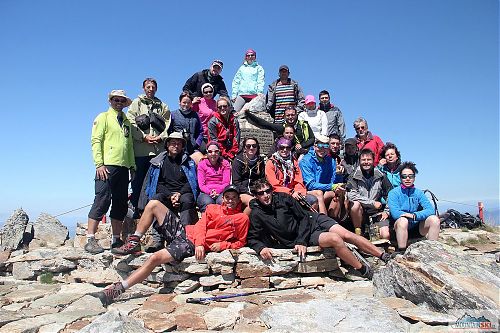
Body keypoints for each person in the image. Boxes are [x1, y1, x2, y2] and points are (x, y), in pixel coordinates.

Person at [96, 185, 249, 305]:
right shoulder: (212, 208)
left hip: (188, 244)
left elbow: (240, 242)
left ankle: (118, 289)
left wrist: (222, 245)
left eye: (234, 198)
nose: (230, 200)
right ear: (222, 198)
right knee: (154, 204)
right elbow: (201, 225)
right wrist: (201, 244)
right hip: (186, 232)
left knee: (155, 257)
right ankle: (135, 240)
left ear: (238, 200)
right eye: (227, 197)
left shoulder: (241, 218)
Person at [247, 179, 391, 280]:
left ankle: (383, 256)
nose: (266, 195)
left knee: (346, 234)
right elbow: (253, 237)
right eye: (261, 193)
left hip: (312, 220)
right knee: (335, 239)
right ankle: (363, 270)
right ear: (255, 196)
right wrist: (260, 248)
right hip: (305, 236)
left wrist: (301, 241)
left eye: (268, 191)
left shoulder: (284, 198)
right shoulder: (256, 213)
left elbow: (303, 217)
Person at [85, 90, 136, 254]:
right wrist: (99, 164)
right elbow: (96, 140)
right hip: (106, 166)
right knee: (102, 200)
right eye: (116, 100)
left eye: (121, 100)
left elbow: (129, 147)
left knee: (120, 204)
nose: (119, 103)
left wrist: (132, 166)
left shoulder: (127, 122)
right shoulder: (103, 117)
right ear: (110, 101)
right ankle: (90, 239)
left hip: (123, 168)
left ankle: (116, 239)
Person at [127, 78, 171, 218]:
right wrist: (143, 137)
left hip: (158, 150)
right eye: (148, 86)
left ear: (156, 88)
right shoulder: (136, 103)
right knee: (138, 180)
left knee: (155, 181)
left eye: (153, 87)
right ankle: (136, 210)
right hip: (141, 150)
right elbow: (131, 122)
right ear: (143, 88)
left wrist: (161, 137)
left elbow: (168, 123)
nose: (150, 89)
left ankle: (152, 209)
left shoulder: (162, 106)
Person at [137, 132, 198, 227]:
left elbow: (191, 182)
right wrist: (170, 196)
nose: (176, 146)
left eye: (179, 144)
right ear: (167, 144)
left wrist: (179, 194)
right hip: (166, 193)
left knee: (188, 200)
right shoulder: (158, 162)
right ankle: (159, 236)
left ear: (182, 146)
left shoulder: (188, 162)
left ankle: (185, 233)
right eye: (173, 143)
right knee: (156, 200)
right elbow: (157, 183)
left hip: (182, 193)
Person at [386, 162, 440, 252]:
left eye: (410, 176)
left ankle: (432, 251)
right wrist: (407, 215)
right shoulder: (393, 193)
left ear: (414, 178)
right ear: (400, 178)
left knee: (434, 220)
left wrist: (414, 215)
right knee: (403, 221)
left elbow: (430, 210)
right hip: (399, 228)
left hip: (416, 227)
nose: (407, 179)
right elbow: (395, 213)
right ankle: (401, 251)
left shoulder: (419, 193)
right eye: (404, 176)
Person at [346, 149, 392, 234]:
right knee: (355, 205)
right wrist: (372, 203)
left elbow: (391, 194)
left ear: (373, 161)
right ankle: (358, 232)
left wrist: (387, 212)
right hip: (361, 213)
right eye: (363, 160)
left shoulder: (381, 176)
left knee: (385, 235)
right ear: (359, 161)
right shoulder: (353, 176)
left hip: (376, 213)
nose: (366, 162)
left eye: (369, 159)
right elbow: (351, 195)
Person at [265, 137, 318, 208]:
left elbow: (298, 180)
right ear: (278, 148)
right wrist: (291, 192)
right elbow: (273, 185)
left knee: (313, 200)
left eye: (288, 148)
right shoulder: (271, 163)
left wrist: (299, 192)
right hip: (278, 193)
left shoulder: (293, 161)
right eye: (282, 147)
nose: (285, 150)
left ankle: (311, 219)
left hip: (294, 192)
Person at [244, 106, 315, 158]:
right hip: (289, 154)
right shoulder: (282, 128)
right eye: (288, 115)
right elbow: (265, 124)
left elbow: (312, 138)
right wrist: (248, 114)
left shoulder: (304, 125)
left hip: (305, 153)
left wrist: (302, 145)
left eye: (292, 115)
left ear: (296, 115)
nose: (290, 117)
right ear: (284, 116)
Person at [299, 135, 344, 216]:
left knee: (339, 192)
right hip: (309, 191)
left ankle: (333, 221)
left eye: (326, 146)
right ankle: (325, 222)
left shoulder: (332, 161)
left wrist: (338, 174)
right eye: (320, 146)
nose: (322, 149)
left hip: (325, 191)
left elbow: (335, 182)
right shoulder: (306, 161)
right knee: (319, 193)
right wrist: (332, 187)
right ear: (315, 146)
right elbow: (310, 185)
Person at [168, 92, 204, 164]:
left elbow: (200, 131)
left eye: (188, 103)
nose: (186, 105)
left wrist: (197, 143)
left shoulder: (195, 115)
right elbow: (168, 131)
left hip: (192, 149)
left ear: (191, 103)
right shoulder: (173, 114)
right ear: (179, 102)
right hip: (177, 149)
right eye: (184, 102)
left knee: (202, 162)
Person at [232, 137, 266, 212]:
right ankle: (243, 221)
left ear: (257, 148)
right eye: (248, 146)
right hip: (242, 191)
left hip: (256, 190)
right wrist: (249, 191)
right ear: (244, 148)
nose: (251, 148)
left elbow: (262, 179)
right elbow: (236, 182)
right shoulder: (238, 161)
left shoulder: (260, 161)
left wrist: (258, 191)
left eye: (254, 146)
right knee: (253, 202)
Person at [196, 142, 231, 212]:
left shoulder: (225, 163)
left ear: (219, 152)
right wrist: (210, 192)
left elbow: (226, 182)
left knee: (223, 202)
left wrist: (217, 191)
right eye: (210, 151)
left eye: (216, 151)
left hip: (222, 191)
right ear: (206, 153)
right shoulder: (201, 164)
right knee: (208, 203)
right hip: (206, 192)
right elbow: (201, 185)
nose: (213, 154)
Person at [208, 96, 240, 161]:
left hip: (232, 149)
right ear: (217, 108)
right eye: (220, 107)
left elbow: (236, 138)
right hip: (218, 150)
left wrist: (232, 153)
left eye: (225, 106)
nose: (222, 108)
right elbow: (214, 140)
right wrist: (224, 154)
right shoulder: (212, 122)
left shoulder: (234, 120)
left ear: (229, 107)